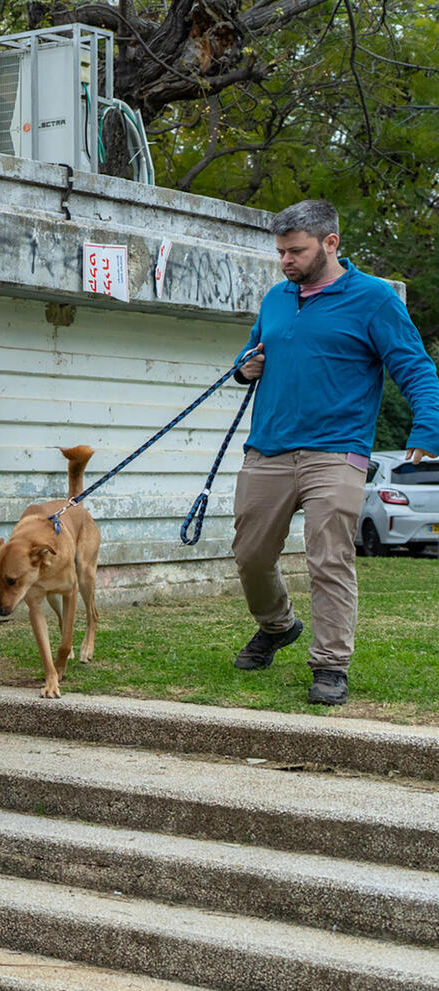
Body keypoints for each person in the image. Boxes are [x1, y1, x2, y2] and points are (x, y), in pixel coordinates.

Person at [228, 199, 439, 706]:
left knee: (329, 559)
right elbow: (255, 351)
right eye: (280, 252)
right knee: (250, 557)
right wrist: (243, 367)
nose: (285, 262)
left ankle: (330, 665)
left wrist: (427, 430)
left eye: (295, 251)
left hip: (336, 451)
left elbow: (416, 368)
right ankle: (278, 626)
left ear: (331, 243)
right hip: (268, 450)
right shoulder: (277, 299)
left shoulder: (375, 300)